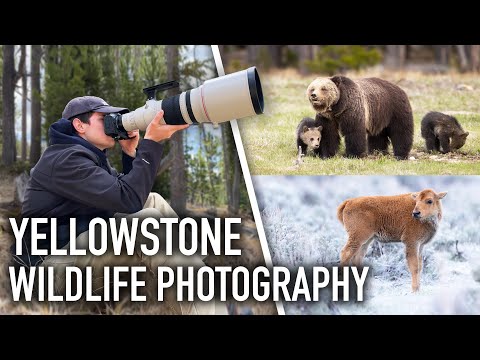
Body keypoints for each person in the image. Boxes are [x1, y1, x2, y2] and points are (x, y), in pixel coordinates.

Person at [12, 96, 226, 314]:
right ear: (79, 125)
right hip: (44, 276)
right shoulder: (65, 160)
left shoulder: (87, 157)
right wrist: (151, 142)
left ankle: (200, 277)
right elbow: (127, 200)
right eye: (103, 118)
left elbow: (126, 198)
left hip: (72, 255)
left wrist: (131, 153)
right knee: (148, 222)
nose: (112, 123)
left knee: (153, 201)